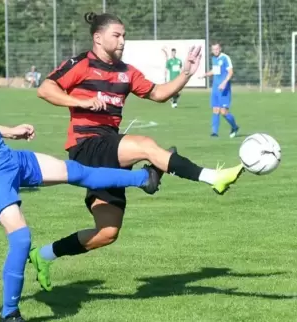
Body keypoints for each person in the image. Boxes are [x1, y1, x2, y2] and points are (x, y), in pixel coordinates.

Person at [0, 20, 162, 322]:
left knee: (78, 171)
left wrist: (11, 131)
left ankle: (145, 179)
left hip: (9, 158)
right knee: (21, 239)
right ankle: (9, 314)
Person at [31, 12, 245, 292]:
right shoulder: (80, 64)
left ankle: (43, 255)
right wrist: (80, 101)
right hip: (87, 147)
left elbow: (158, 93)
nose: (122, 41)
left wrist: (186, 74)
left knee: (107, 232)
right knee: (145, 145)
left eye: (124, 36)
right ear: (98, 37)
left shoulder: (127, 72)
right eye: (116, 35)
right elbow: (45, 89)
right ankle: (210, 177)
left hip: (109, 149)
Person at [199, 42, 239, 138]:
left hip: (224, 89)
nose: (215, 51)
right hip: (215, 89)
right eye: (213, 49)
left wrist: (224, 82)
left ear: (220, 49)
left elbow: (230, 72)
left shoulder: (225, 58)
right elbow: (215, 71)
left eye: (217, 49)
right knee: (215, 110)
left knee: (223, 112)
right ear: (212, 50)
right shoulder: (214, 59)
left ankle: (235, 127)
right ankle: (214, 133)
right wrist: (205, 75)